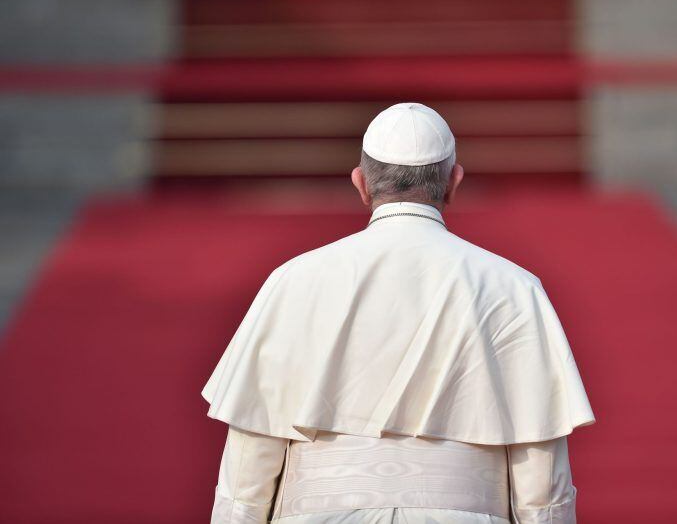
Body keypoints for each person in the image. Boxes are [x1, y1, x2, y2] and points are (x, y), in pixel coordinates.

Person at [202, 102, 596, 524]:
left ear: (361, 184)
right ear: (453, 183)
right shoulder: (512, 286)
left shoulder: (295, 279)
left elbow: (251, 456)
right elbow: (539, 470)